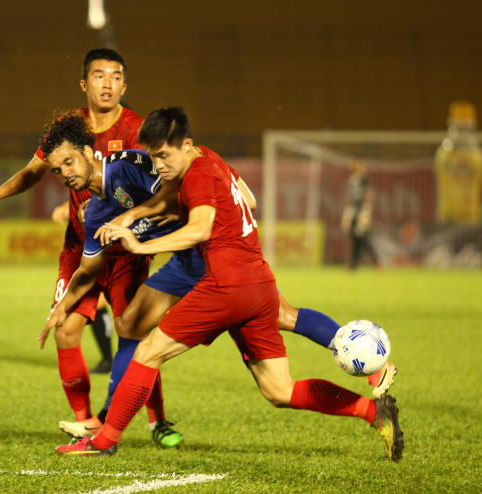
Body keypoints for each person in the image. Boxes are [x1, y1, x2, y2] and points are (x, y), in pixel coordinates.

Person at [55, 107, 404, 461]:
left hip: (225, 284)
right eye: (154, 157)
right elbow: (243, 200)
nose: (157, 165)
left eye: (163, 156)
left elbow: (200, 228)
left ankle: (105, 440)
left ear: (186, 145)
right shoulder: (208, 159)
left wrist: (139, 245)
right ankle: (374, 412)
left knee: (146, 353)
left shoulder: (197, 176)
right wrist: (138, 213)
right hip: (257, 282)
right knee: (278, 389)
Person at [37, 112, 184, 446]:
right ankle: (102, 424)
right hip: (186, 262)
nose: (65, 174)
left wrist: (132, 217)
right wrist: (61, 307)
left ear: (90, 153)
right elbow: (87, 270)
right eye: (57, 170)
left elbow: (177, 195)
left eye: (69, 163)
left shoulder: (128, 164)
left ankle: (134, 422)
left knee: (269, 329)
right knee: (134, 334)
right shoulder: (95, 214)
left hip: (211, 253)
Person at [52, 200, 113, 374]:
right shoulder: (82, 190)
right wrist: (65, 207)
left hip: (118, 244)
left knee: (119, 306)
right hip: (97, 245)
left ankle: (116, 360)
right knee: (99, 301)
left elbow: (100, 193)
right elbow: (83, 195)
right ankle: (110, 360)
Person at [341, 160, 379, 270]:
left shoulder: (365, 181)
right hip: (353, 210)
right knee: (354, 237)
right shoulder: (351, 181)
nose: (362, 169)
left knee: (363, 237)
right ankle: (354, 264)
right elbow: (349, 198)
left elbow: (369, 195)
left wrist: (366, 210)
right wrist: (347, 213)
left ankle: (375, 261)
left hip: (362, 210)